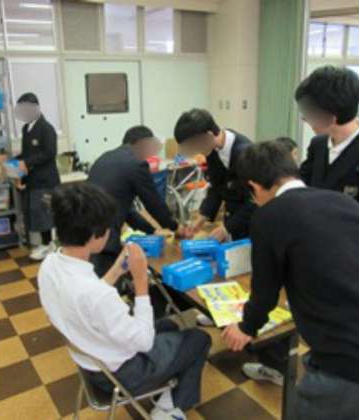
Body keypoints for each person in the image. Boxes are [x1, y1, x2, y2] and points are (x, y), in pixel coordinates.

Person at [38, 183, 212, 420]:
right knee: (199, 338)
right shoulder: (98, 296)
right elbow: (144, 340)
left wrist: (117, 270)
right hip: (120, 374)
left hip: (90, 357)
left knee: (170, 325)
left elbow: (87, 298)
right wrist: (141, 281)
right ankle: (168, 409)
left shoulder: (49, 265)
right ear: (95, 234)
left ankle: (166, 388)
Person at [221, 141, 359, 420]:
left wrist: (246, 327)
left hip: (345, 357)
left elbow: (265, 293)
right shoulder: (343, 201)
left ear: (254, 186)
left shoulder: (268, 216)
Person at [88, 125, 189, 278]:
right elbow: (154, 203)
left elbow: (125, 208)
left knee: (95, 278)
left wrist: (152, 230)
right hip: (104, 237)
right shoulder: (136, 164)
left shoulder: (105, 157)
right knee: (106, 281)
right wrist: (175, 227)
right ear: (141, 143)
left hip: (85, 232)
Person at [174, 109, 256, 242]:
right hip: (233, 219)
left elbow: (254, 200)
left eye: (194, 145)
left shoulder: (245, 153)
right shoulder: (212, 149)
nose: (195, 151)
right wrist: (201, 218)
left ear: (208, 135)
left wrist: (226, 228)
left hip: (251, 224)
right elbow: (217, 186)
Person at [296, 66, 359, 202]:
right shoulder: (318, 144)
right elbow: (300, 186)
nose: (305, 118)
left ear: (330, 116)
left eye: (309, 112)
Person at [14, 92, 60, 261]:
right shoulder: (26, 128)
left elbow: (50, 153)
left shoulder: (47, 128)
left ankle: (48, 245)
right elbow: (27, 154)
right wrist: (16, 162)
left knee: (44, 213)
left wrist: (26, 161)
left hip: (46, 180)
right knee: (35, 212)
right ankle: (44, 244)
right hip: (32, 179)